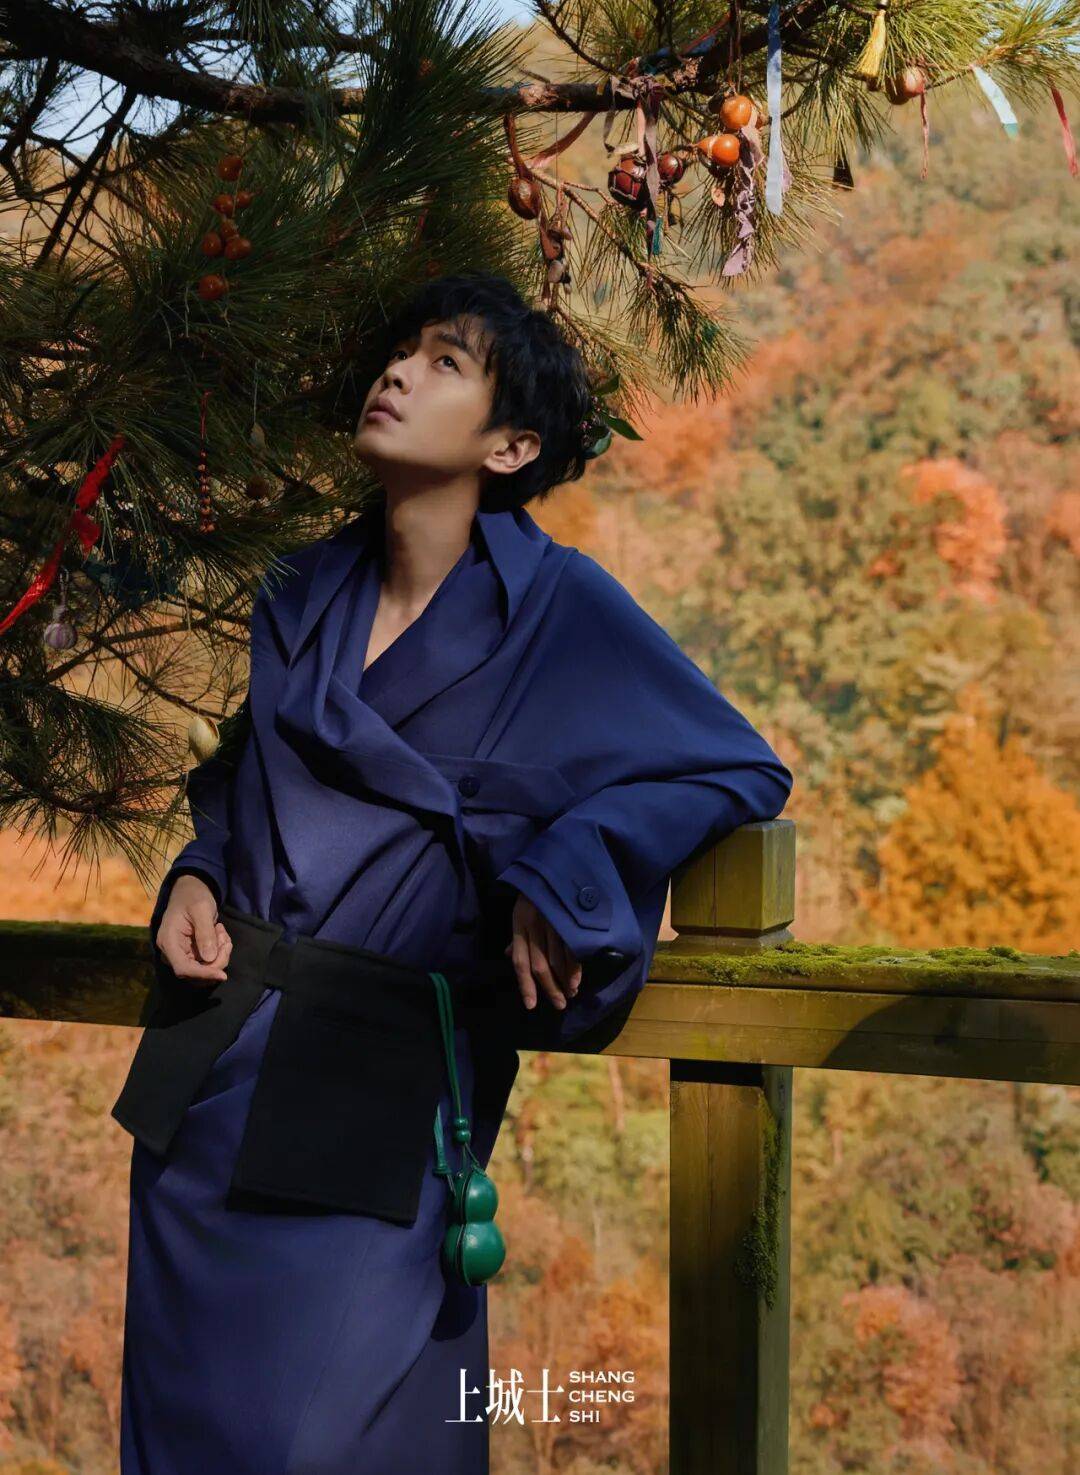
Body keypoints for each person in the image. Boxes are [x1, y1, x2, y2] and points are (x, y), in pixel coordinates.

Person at [111, 270, 795, 1473]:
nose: (398, 373)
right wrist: (196, 873)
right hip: (208, 1068)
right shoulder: (302, 588)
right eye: (402, 353)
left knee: (328, 1443)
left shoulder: (558, 607)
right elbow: (240, 781)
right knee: (185, 1440)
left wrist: (571, 858)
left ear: (510, 444)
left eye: (444, 363)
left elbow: (737, 766)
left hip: (376, 1091)